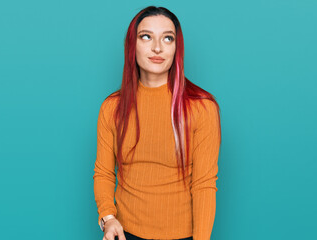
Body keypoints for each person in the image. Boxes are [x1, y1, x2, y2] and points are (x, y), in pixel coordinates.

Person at [93, 5, 221, 240]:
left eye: (168, 38)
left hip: (183, 235)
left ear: (176, 48)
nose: (157, 48)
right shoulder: (111, 107)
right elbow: (103, 172)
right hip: (124, 233)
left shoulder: (202, 107)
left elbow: (204, 185)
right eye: (146, 36)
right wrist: (108, 218)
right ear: (133, 45)